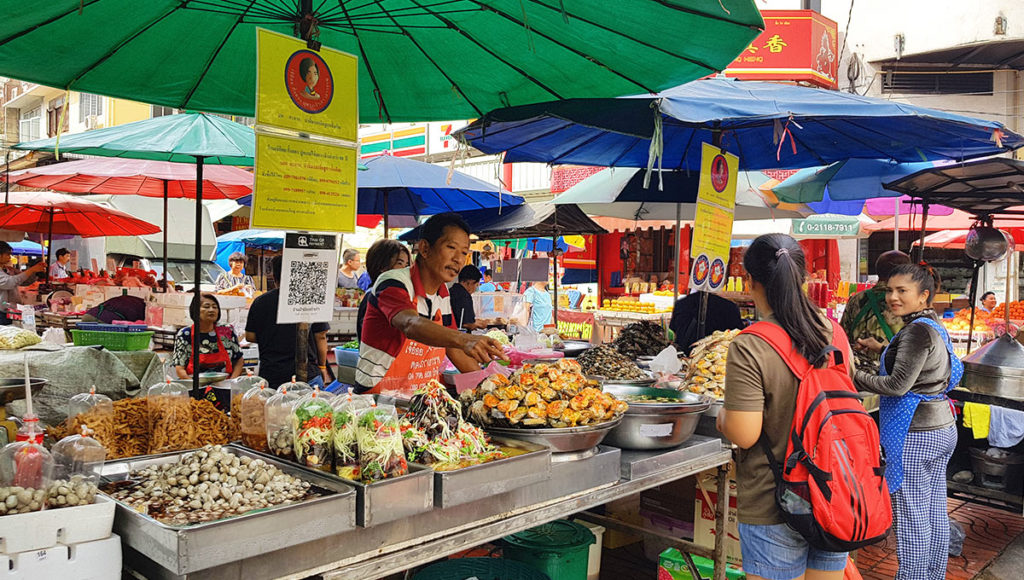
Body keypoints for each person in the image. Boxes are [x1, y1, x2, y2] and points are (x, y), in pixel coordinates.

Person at [717, 234, 852, 580]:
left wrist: (722, 418)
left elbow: (745, 435)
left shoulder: (751, 344)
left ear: (749, 281)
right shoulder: (835, 334)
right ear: (803, 279)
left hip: (776, 499)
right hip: (833, 489)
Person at [854, 263, 959, 580]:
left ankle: (912, 575)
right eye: (890, 290)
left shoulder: (915, 331)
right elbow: (925, 364)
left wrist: (851, 374)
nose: (892, 298)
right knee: (934, 508)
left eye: (902, 291)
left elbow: (897, 386)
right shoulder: (933, 325)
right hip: (942, 429)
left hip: (915, 434)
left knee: (912, 513)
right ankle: (933, 574)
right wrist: (884, 348)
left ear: (924, 295)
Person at [356, 213, 506, 394]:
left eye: (464, 252)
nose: (459, 259)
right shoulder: (393, 282)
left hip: (423, 401)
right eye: (451, 247)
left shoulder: (442, 293)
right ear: (425, 249)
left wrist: (495, 386)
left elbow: (452, 347)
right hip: (379, 403)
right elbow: (410, 324)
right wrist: (465, 339)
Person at [245, 256, 330, 389]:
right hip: (309, 374)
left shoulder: (260, 302)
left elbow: (250, 336)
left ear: (274, 277)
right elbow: (321, 336)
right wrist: (322, 366)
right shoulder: (310, 300)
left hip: (272, 374)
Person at [840, 250, 911, 373]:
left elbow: (843, 337)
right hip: (892, 375)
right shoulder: (905, 302)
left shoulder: (856, 300)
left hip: (857, 373)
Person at [171, 293, 244, 380]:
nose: (211, 310)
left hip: (224, 385)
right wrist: (195, 387)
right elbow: (180, 368)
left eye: (214, 307)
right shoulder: (185, 334)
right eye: (206, 306)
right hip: (194, 387)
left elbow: (239, 360)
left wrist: (231, 382)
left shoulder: (226, 331)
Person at [356, 239, 411, 342]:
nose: (405, 270)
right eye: (399, 263)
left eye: (407, 265)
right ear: (382, 266)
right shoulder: (376, 295)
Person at [669, 291, 745, 355]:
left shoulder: (681, 303)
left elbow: (674, 329)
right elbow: (738, 335)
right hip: (716, 358)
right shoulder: (729, 307)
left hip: (684, 355)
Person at [0, 242, 45, 323]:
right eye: (7, 254)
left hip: (12, 310)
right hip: (1, 312)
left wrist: (35, 272)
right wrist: (31, 270)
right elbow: (9, 283)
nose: (9, 257)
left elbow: (25, 281)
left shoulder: (9, 269)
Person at [449, 265, 495, 331]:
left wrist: (476, 321)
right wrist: (481, 324)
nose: (476, 288)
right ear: (469, 282)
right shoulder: (464, 296)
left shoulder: (452, 290)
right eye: (476, 285)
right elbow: (467, 324)